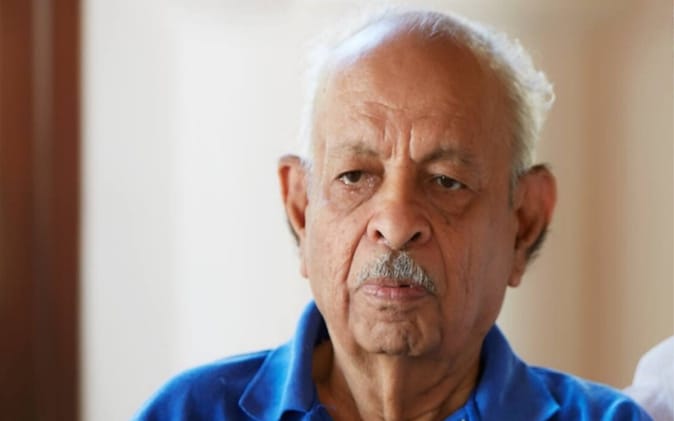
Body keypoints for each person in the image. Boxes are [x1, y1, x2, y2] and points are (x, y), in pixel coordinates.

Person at [136, 9, 651, 420]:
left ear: (524, 224)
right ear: (301, 210)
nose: (397, 223)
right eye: (354, 176)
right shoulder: (190, 412)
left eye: (446, 181)